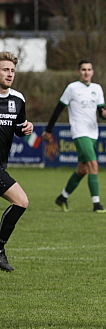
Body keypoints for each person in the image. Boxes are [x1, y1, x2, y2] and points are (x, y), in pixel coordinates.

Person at [42, 60, 106, 213]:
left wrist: (105, 114)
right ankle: (96, 204)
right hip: (79, 132)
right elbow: (58, 109)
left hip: (93, 132)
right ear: (79, 72)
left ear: (93, 72)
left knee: (83, 169)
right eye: (83, 69)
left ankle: (62, 198)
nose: (86, 72)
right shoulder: (72, 88)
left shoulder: (97, 88)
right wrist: (48, 130)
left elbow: (101, 109)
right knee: (94, 165)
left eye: (89, 69)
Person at [0, 52, 34, 272]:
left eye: (12, 70)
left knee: (21, 202)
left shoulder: (18, 99)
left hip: (1, 166)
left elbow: (19, 127)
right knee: (21, 201)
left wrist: (26, 129)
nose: (9, 74)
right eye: (5, 69)